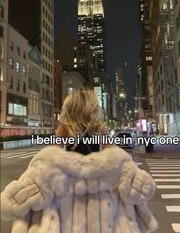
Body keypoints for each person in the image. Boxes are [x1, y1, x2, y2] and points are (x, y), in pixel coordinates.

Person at [1, 88, 158, 233]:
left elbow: (53, 155)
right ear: (92, 107)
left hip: (66, 186)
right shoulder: (99, 128)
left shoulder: (64, 128)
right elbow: (112, 154)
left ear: (69, 107)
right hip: (99, 185)